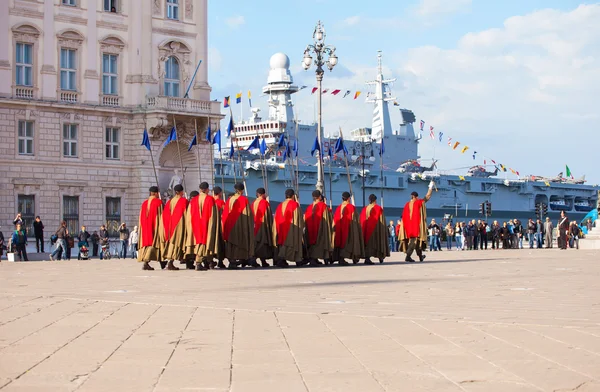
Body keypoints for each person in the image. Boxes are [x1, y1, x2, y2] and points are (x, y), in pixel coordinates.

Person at [185, 182, 221, 271]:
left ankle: (208, 261)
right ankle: (198, 262)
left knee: (199, 242)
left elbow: (189, 215)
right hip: (206, 224)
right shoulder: (210, 199)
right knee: (204, 242)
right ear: (207, 189)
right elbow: (213, 215)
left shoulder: (193, 200)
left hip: (195, 225)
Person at [398, 181, 435, 262]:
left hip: (407, 228)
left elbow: (403, 217)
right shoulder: (419, 202)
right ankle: (408, 256)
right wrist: (430, 187)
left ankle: (420, 256)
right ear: (416, 197)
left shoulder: (406, 205)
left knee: (418, 243)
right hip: (416, 227)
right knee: (414, 242)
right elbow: (427, 197)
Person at [222, 183, 255, 268]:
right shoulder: (244, 199)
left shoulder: (230, 199)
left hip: (230, 225)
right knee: (241, 242)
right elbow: (248, 214)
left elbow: (225, 213)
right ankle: (243, 258)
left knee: (232, 243)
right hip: (241, 225)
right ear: (242, 190)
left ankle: (232, 261)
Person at [272, 188, 304, 268]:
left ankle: (281, 260)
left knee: (282, 244)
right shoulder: (295, 205)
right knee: (292, 244)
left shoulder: (280, 205)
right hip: (290, 229)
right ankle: (297, 259)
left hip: (280, 228)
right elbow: (299, 219)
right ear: (293, 196)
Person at [332, 192, 364, 265]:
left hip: (339, 230)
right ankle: (352, 257)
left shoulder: (338, 207)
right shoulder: (351, 207)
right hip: (348, 229)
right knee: (349, 244)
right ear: (349, 198)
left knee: (339, 243)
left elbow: (335, 220)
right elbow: (355, 220)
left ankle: (340, 258)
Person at [160, 184, 187, 270]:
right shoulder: (184, 201)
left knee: (172, 243)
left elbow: (165, 215)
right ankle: (170, 262)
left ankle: (170, 261)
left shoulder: (170, 201)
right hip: (179, 225)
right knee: (176, 244)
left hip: (170, 226)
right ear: (182, 192)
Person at [304, 190, 333, 266]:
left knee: (311, 243)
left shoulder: (309, 207)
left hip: (310, 229)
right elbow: (327, 218)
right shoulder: (323, 206)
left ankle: (314, 259)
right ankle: (314, 259)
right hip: (320, 228)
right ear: (320, 196)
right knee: (319, 243)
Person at [137, 186, 163, 270]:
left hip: (144, 227)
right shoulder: (158, 202)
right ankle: (147, 261)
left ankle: (146, 262)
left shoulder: (144, 203)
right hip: (154, 226)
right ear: (156, 193)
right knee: (153, 243)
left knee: (146, 243)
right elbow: (162, 215)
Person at [360, 194, 389, 264]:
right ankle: (380, 256)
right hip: (376, 230)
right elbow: (382, 221)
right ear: (375, 200)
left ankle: (367, 258)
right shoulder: (378, 208)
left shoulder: (365, 209)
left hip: (367, 230)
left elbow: (361, 220)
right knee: (378, 243)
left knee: (368, 244)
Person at [252, 188, 274, 268]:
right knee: (263, 244)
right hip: (262, 226)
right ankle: (257, 259)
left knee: (257, 243)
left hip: (254, 226)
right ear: (263, 194)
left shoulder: (253, 203)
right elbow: (269, 217)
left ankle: (261, 260)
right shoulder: (265, 203)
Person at [212, 186, 226, 268]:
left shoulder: (210, 201)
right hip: (220, 226)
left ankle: (210, 261)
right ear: (220, 193)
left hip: (211, 226)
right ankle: (220, 261)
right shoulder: (221, 203)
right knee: (220, 243)